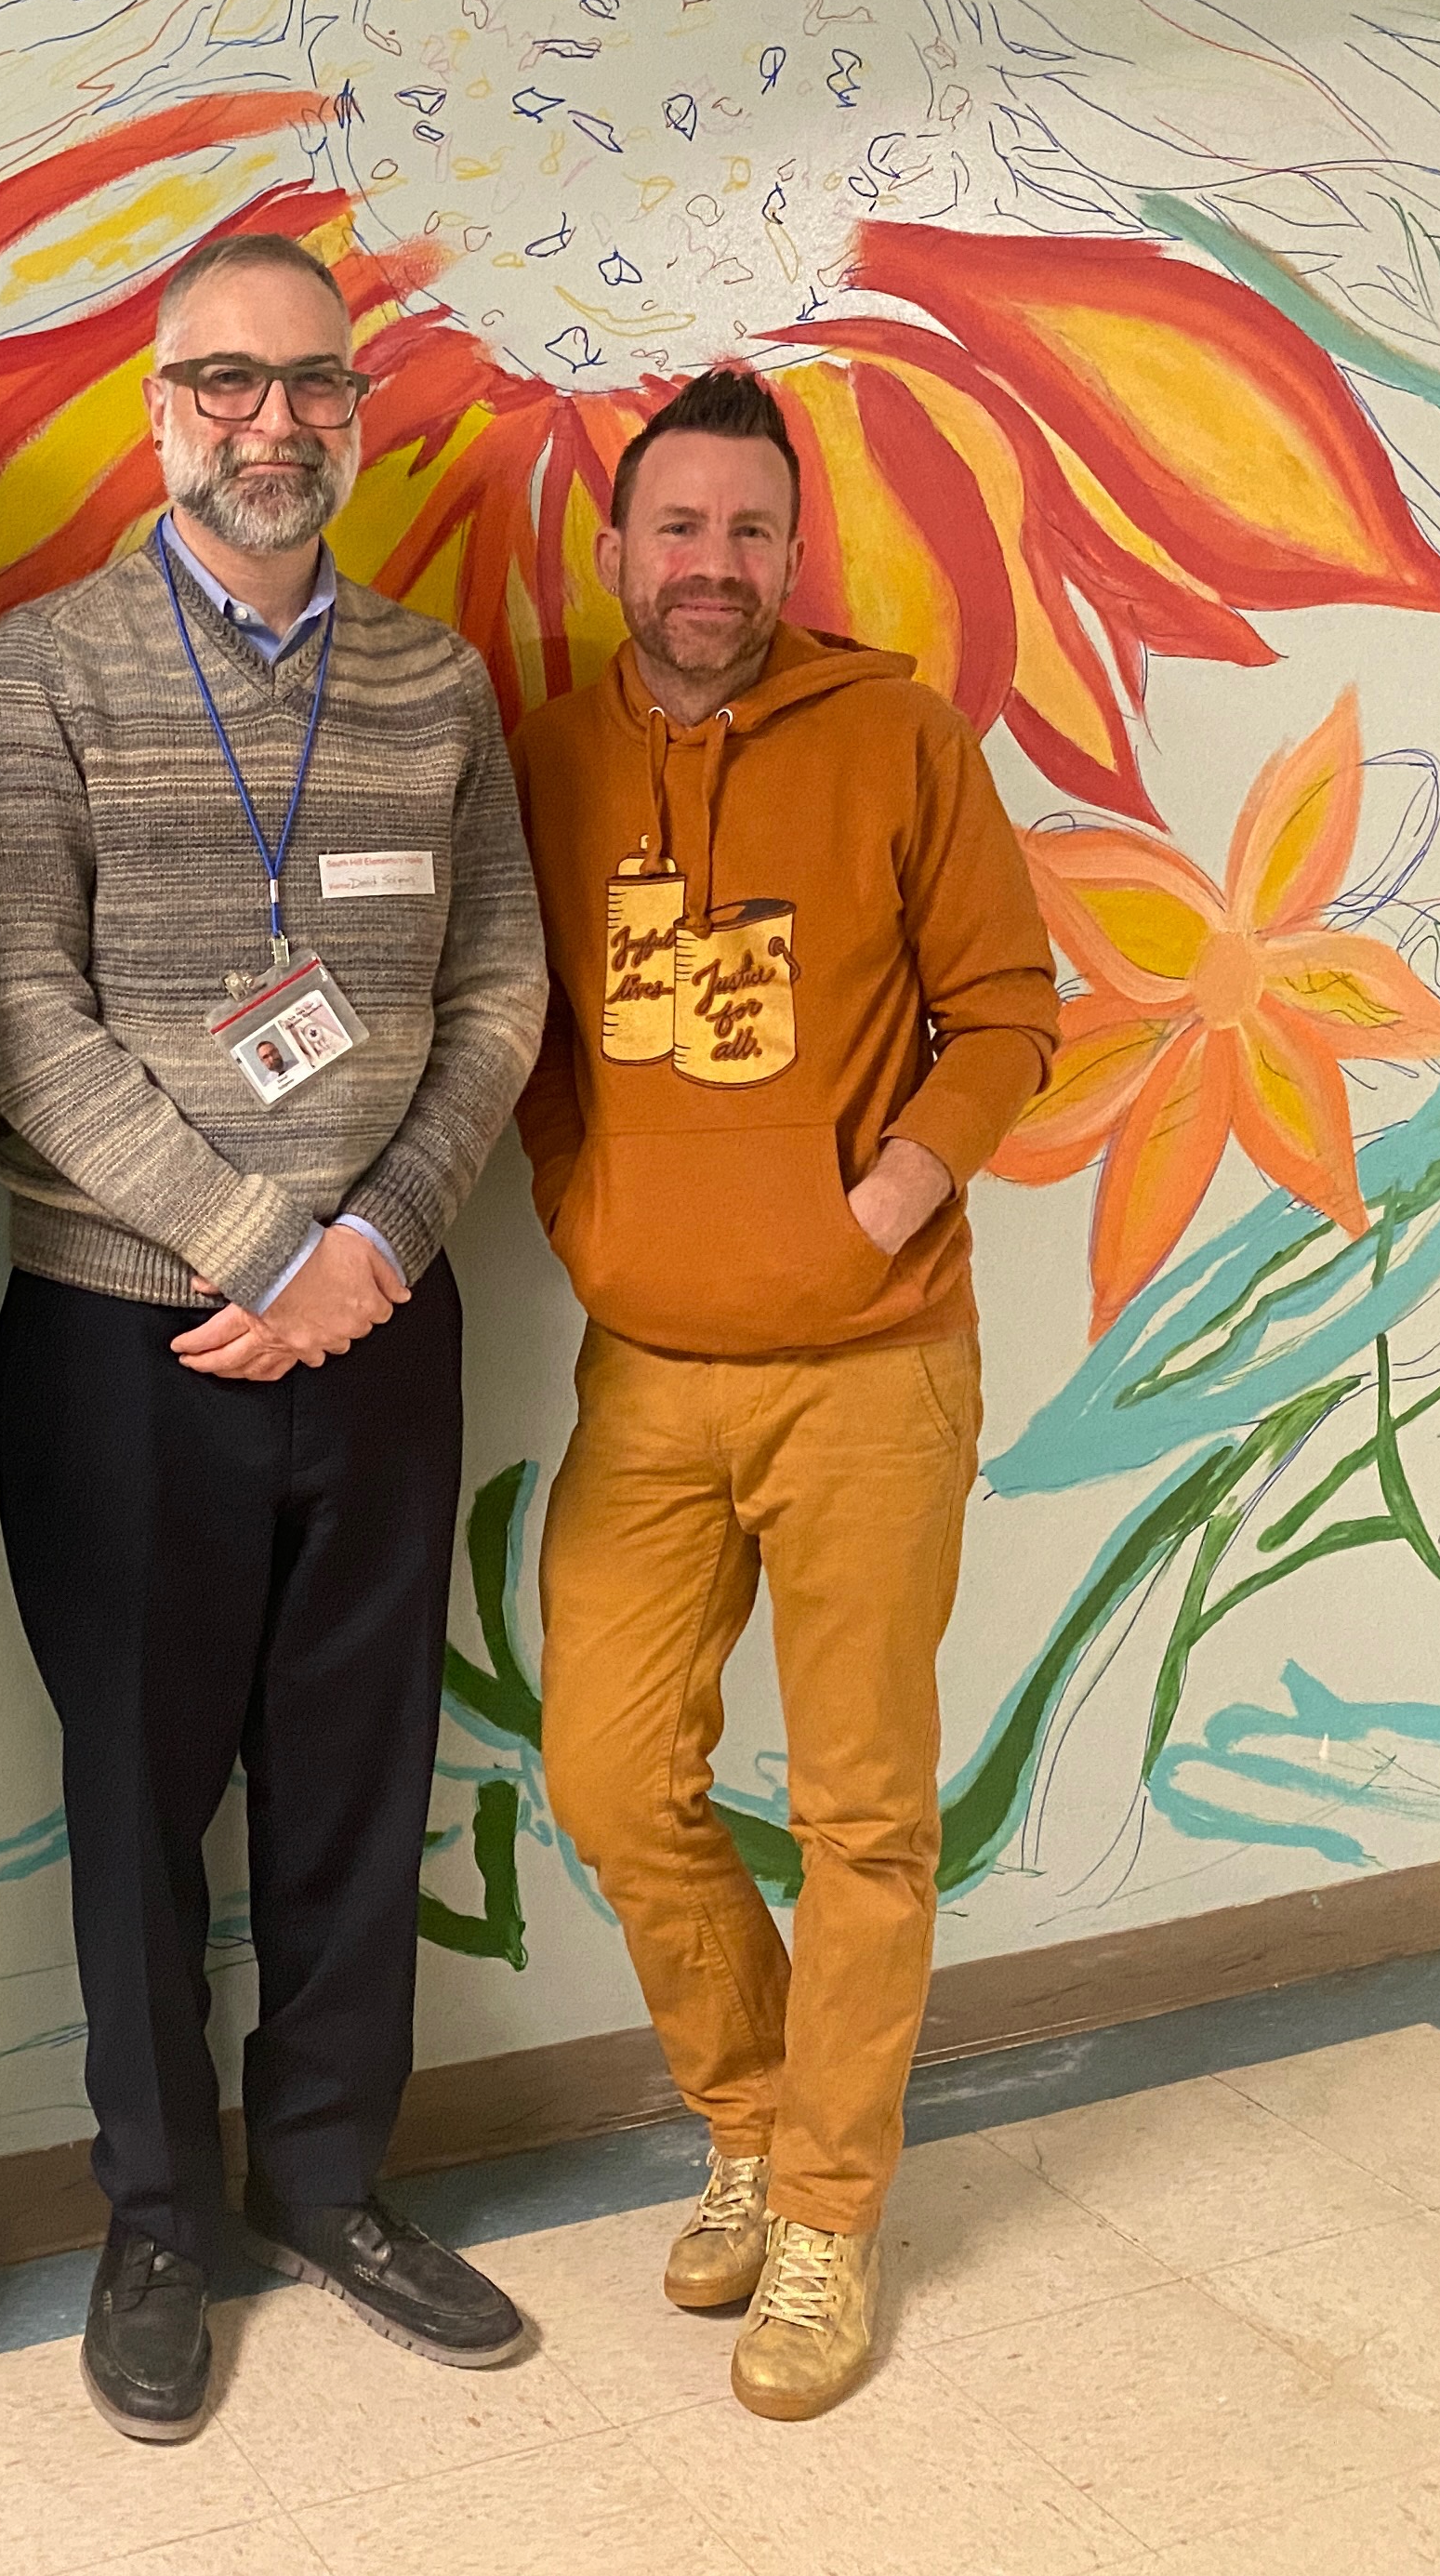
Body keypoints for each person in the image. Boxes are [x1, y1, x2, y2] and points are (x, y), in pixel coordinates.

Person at [0, 232, 550, 2442]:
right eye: (225, 383)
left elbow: (502, 987)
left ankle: (328, 2180)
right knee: (135, 1794)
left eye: (311, 386)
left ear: (360, 415)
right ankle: (150, 2216)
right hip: (127, 1343)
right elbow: (18, 1012)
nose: (271, 424)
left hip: (386, 1323)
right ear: (156, 410)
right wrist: (247, 1244)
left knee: (355, 1780)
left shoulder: (439, 683)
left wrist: (373, 1239)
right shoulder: (45, 678)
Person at [509, 367, 1059, 2421]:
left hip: (871, 1370)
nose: (713, 566)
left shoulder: (901, 740)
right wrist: (587, 1205)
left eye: (751, 531)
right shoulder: (552, 751)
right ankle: (749, 2118)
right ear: (618, 549)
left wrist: (886, 1194)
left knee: (862, 1820)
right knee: (604, 1772)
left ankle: (829, 2211)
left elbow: (1009, 1005)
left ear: (791, 553)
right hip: (648, 1367)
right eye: (679, 528)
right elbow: (531, 1018)